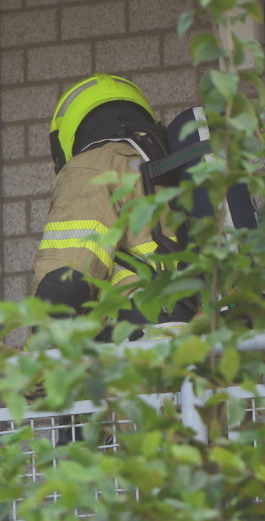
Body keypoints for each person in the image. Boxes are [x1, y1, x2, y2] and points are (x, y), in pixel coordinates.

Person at [33, 74, 195, 335]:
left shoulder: (92, 165)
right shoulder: (176, 165)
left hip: (143, 342)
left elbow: (65, 282)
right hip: (215, 340)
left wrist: (37, 364)